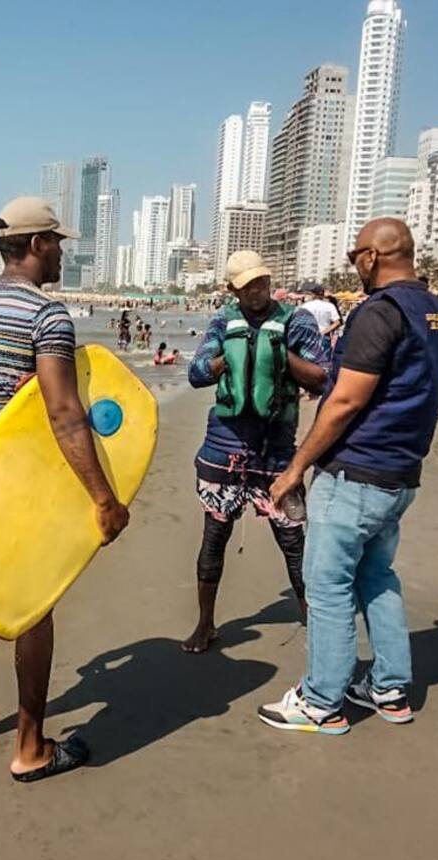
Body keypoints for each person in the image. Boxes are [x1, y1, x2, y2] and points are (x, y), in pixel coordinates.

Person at [0, 196, 130, 782]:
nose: (63, 254)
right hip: (25, 490)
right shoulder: (47, 317)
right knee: (34, 606)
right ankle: (30, 748)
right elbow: (66, 414)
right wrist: (103, 497)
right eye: (59, 243)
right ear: (39, 244)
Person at [260, 218, 438, 735]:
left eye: (354, 256)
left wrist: (295, 467)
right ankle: (389, 688)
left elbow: (346, 399)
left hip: (358, 473)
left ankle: (322, 700)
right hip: (400, 473)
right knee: (376, 576)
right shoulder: (434, 311)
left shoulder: (379, 312)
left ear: (372, 257)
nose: (354, 265)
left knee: (326, 586)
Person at [182, 251, 329, 652]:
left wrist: (278, 353)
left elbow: (322, 376)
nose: (257, 291)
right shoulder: (222, 321)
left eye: (261, 282)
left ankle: (312, 622)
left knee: (294, 542)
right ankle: (205, 624)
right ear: (233, 289)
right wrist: (224, 361)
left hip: (277, 452)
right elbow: (195, 374)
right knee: (214, 538)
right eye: (247, 286)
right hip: (223, 449)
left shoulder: (295, 320)